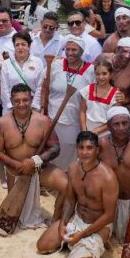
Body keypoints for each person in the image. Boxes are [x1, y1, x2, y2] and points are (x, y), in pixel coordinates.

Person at [36, 131, 117, 258]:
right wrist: (63, 223)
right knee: (42, 246)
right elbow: (70, 200)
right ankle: (74, 245)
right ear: (77, 150)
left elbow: (109, 215)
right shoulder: (73, 168)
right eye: (81, 148)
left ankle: (89, 246)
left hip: (98, 226)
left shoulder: (107, 177)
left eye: (89, 148)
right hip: (77, 219)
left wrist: (83, 234)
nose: (85, 152)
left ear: (97, 150)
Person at [0, 84, 66, 229]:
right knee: (15, 213)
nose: (21, 104)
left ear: (32, 99)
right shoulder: (3, 122)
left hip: (39, 167)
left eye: (25, 100)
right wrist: (16, 165)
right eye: (17, 101)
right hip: (15, 170)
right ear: (11, 101)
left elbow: (56, 148)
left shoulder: (43, 121)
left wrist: (36, 160)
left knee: (67, 185)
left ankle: (56, 220)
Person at [43, 36, 95, 170]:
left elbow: (93, 95)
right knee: (51, 150)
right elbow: (44, 87)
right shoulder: (56, 65)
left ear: (82, 51)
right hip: (52, 117)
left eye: (74, 50)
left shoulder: (90, 70)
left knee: (70, 152)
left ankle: (67, 177)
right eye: (68, 49)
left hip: (74, 120)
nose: (70, 53)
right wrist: (42, 109)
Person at [97, 106, 130, 245]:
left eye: (125, 123)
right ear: (108, 126)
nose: (121, 128)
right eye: (116, 124)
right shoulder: (100, 144)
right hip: (110, 203)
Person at [0, 32, 44, 111]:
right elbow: (4, 88)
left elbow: (40, 86)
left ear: (29, 46)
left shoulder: (38, 62)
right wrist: (10, 106)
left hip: (32, 107)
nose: (20, 47)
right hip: (11, 108)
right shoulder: (6, 64)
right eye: (17, 44)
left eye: (23, 44)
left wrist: (34, 106)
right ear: (14, 46)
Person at [79, 59, 120, 137]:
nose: (101, 77)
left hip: (107, 133)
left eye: (104, 74)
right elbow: (82, 111)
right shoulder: (87, 90)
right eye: (98, 74)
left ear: (111, 75)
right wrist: (84, 131)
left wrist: (97, 131)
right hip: (88, 131)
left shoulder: (116, 95)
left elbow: (114, 119)